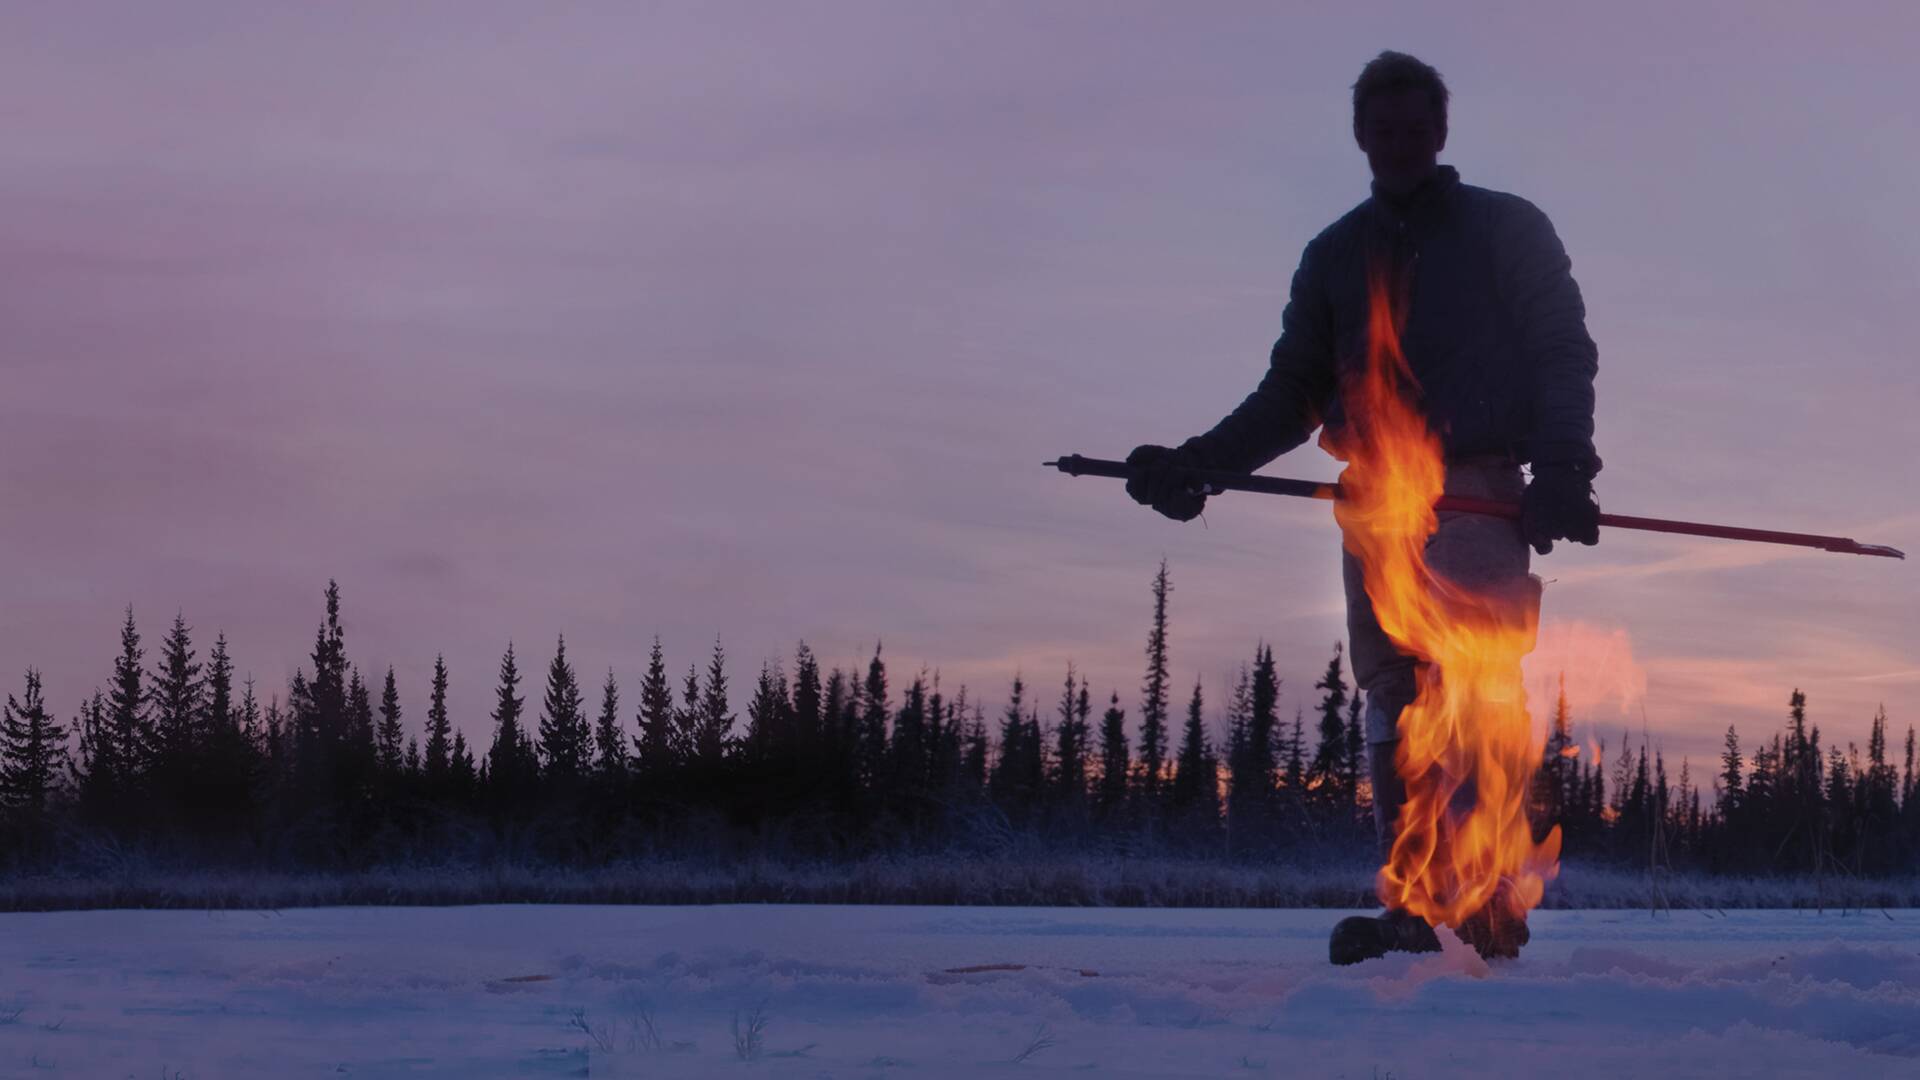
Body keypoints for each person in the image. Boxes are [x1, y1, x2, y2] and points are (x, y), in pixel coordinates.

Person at [1125, 51, 1601, 963]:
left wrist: (1565, 466)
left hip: (1479, 492)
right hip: (1374, 505)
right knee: (1393, 695)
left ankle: (1493, 899)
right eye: (1384, 131)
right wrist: (1201, 465)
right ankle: (1415, 904)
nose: (1402, 144)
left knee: (1473, 686)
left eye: (1417, 128)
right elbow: (1292, 391)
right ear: (1360, 139)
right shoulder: (1334, 256)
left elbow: (1560, 346)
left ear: (1443, 132)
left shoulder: (1508, 229)